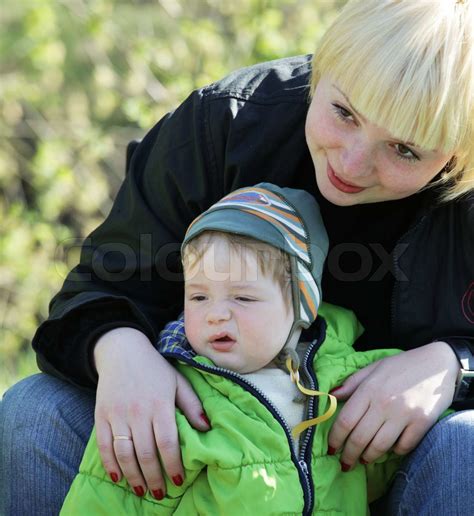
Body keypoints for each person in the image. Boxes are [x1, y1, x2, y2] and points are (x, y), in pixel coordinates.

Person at [1, 0, 473, 514]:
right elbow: (102, 282)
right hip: (199, 443)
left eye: (405, 150)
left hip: (376, 469)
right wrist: (121, 353)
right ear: (323, 68)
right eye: (343, 113)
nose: (354, 162)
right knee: (35, 408)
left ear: (459, 151)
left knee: (466, 445)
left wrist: (455, 365)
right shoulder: (223, 121)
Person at [61, 183, 410, 514]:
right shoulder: (169, 403)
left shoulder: (346, 376)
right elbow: (105, 501)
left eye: (243, 297)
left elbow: (405, 461)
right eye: (198, 297)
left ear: (301, 306)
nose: (216, 314)